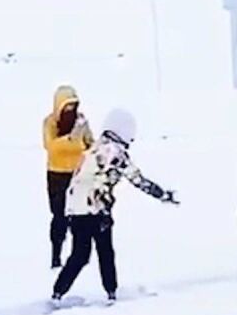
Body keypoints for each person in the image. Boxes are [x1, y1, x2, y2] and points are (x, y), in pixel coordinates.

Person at [52, 108, 178, 304]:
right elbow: (137, 179)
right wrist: (162, 194)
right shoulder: (115, 152)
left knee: (80, 255)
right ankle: (111, 292)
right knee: (105, 252)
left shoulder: (94, 148)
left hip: (76, 209)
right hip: (95, 209)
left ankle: (58, 292)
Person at [43, 85, 93, 268]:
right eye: (67, 107)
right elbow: (52, 147)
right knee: (59, 216)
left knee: (78, 216)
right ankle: (56, 255)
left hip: (78, 175)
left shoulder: (81, 122)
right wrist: (71, 139)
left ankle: (77, 256)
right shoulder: (49, 123)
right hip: (56, 175)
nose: (71, 111)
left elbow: (89, 144)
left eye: (74, 106)